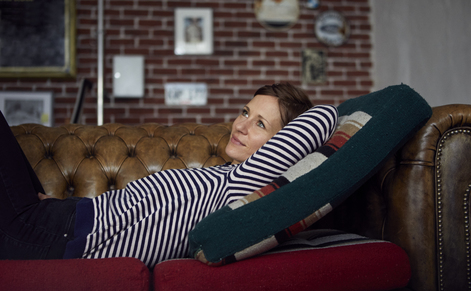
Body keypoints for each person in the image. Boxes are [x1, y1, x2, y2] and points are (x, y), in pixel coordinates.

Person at [0, 83, 338, 268]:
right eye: (245, 112)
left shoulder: (247, 182)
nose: (241, 125)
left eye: (260, 124)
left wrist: (59, 218)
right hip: (60, 219)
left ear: (284, 143)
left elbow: (324, 117)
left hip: (58, 238)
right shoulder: (227, 173)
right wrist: (62, 207)